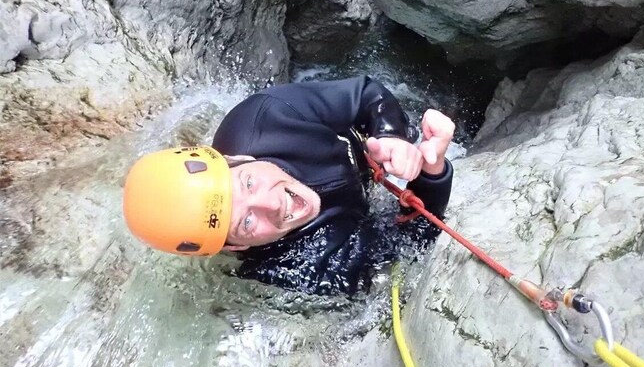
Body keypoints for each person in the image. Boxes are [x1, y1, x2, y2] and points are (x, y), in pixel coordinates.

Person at [123, 76, 455, 295]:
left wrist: (390, 136)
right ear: (235, 248)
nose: (272, 204)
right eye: (246, 222)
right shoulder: (294, 266)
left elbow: (365, 94)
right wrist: (432, 171)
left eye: (249, 183)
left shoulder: (266, 116)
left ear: (239, 159)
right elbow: (407, 250)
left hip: (363, 148)